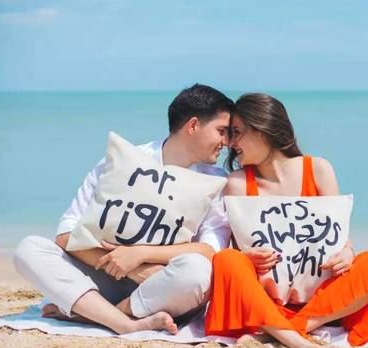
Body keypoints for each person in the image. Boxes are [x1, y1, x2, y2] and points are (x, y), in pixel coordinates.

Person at [14, 84, 233, 335]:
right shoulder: (123, 160)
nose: (226, 142)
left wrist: (141, 254)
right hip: (102, 277)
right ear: (193, 126)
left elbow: (210, 251)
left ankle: (94, 315)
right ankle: (124, 323)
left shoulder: (214, 180)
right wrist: (127, 267)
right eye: (221, 131)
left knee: (197, 272)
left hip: (162, 284)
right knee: (30, 249)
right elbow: (66, 234)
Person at [205, 93, 368, 348]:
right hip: (266, 302)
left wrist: (347, 253)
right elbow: (239, 250)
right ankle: (300, 342)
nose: (231, 143)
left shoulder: (318, 169)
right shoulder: (237, 183)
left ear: (262, 129)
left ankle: (290, 330)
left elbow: (336, 234)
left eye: (237, 132)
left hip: (321, 301)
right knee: (227, 260)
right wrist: (247, 257)